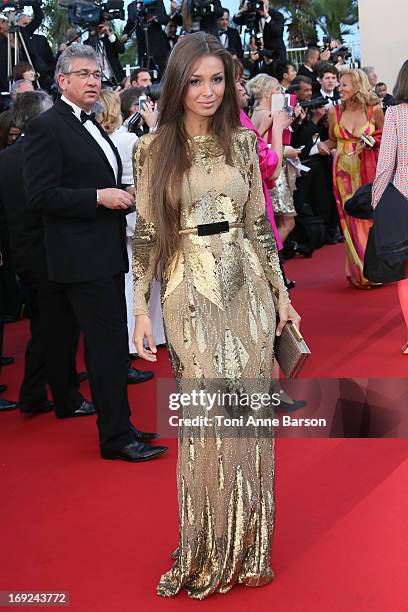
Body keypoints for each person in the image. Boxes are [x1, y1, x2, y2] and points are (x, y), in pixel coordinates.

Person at [132, 31, 301, 598]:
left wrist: (280, 295)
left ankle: (248, 549)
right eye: (196, 81)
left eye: (217, 80)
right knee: (208, 424)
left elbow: (258, 228)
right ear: (177, 85)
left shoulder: (243, 145)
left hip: (247, 289)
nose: (208, 91)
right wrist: (140, 310)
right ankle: (206, 545)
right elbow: (148, 237)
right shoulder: (153, 151)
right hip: (188, 296)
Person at [23, 44, 167, 461]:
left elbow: (87, 180)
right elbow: (40, 195)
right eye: (83, 73)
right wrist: (98, 198)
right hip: (80, 259)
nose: (93, 80)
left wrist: (123, 194)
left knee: (109, 348)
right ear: (62, 80)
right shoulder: (48, 127)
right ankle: (117, 438)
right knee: (105, 350)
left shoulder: (91, 123)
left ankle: (120, 426)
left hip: (100, 252)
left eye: (96, 73)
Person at [0, 91, 95, 416]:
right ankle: (64, 396)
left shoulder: (6, 158)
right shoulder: (46, 153)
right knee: (59, 328)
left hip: (22, 255)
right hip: (52, 253)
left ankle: (34, 393)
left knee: (45, 327)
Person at [320, 69, 384, 288]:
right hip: (342, 174)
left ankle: (377, 268)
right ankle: (361, 271)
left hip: (368, 170)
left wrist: (372, 142)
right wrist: (322, 146)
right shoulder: (334, 112)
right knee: (350, 220)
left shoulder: (374, 110)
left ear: (358, 86)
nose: (340, 88)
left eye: (344, 84)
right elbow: (331, 141)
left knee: (369, 219)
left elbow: (385, 138)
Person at [372, 60, 408, 353]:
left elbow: (385, 164)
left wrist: (376, 201)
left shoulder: (396, 113)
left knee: (406, 275)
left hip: (402, 198)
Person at [248, 74, 300, 246]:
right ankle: (274, 261)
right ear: (266, 92)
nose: (281, 92)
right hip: (274, 171)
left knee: (277, 221)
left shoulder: (253, 112)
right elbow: (265, 147)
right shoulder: (267, 115)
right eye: (277, 89)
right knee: (287, 222)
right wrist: (287, 152)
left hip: (269, 169)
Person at [123, 0, 170, 76]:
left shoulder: (156, 2)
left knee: (165, 73)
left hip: (159, 47)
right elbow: (130, 24)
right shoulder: (131, 6)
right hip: (142, 46)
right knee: (145, 73)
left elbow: (165, 19)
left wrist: (154, 17)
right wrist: (125, 34)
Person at [84, 18, 125, 86]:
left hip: (113, 78)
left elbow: (121, 50)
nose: (100, 28)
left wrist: (108, 33)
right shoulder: (91, 41)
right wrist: (93, 34)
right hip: (98, 79)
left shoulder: (111, 38)